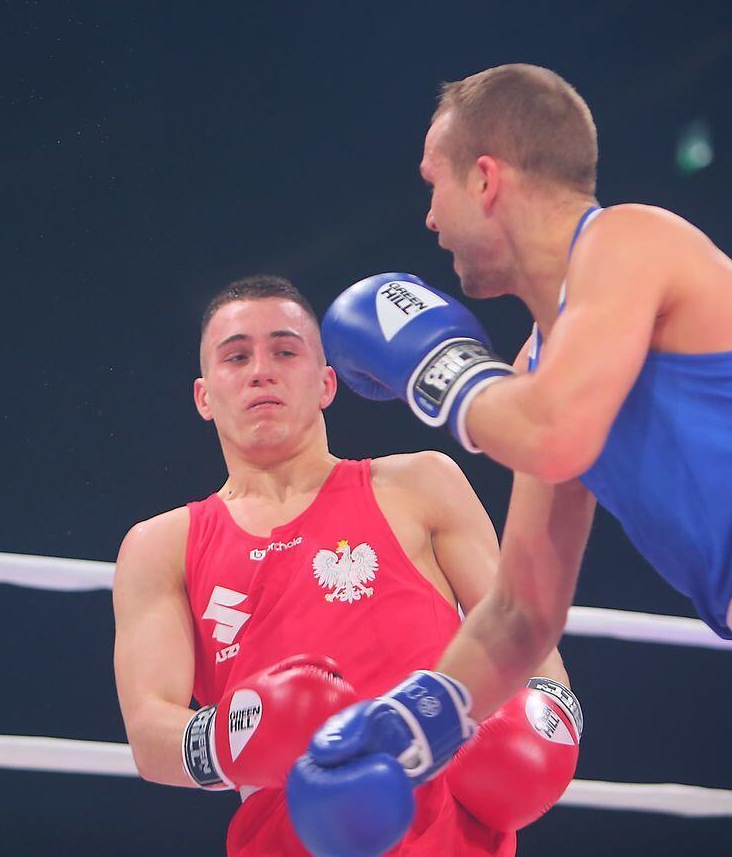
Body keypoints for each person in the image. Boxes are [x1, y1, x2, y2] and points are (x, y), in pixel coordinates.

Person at [290, 64, 732, 856]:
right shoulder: (541, 373)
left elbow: (554, 433)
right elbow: (523, 612)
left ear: (486, 178)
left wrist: (435, 368)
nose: (429, 217)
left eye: (435, 184)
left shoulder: (629, 240)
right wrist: (412, 718)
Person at [112, 275, 582, 856]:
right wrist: (242, 733)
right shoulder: (162, 545)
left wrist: (545, 726)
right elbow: (149, 734)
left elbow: (525, 636)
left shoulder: (419, 485)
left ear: (326, 382)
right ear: (204, 396)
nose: (261, 371)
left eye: (285, 352)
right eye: (236, 357)